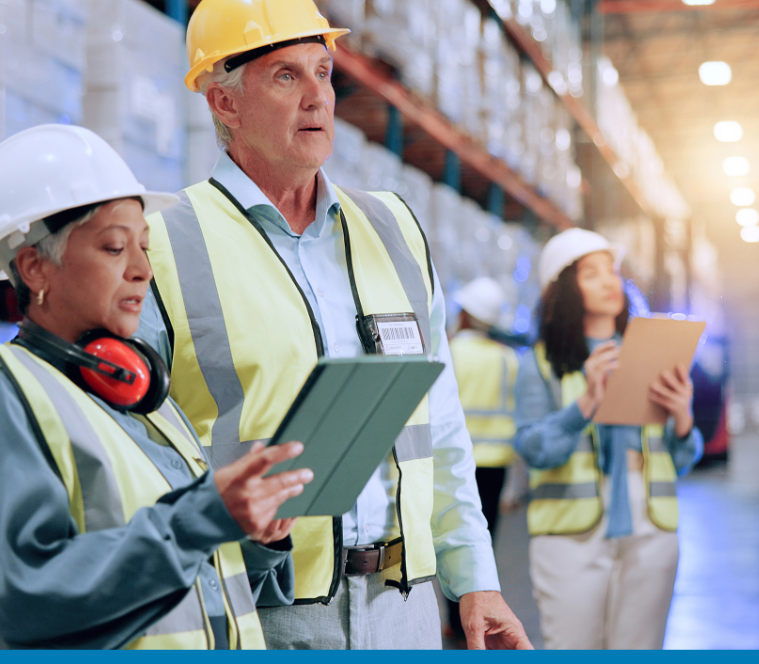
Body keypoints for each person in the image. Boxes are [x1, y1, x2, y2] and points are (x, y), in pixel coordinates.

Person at [135, 0, 530, 650]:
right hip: (262, 610)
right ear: (223, 103)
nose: (317, 98)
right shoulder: (164, 243)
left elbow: (441, 423)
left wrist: (475, 581)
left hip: (404, 606)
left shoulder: (394, 229)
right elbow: (134, 450)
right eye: (286, 76)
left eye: (323, 72)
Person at [0, 124, 313, 649]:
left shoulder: (145, 397)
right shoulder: (4, 401)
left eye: (144, 247)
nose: (144, 270)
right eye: (115, 247)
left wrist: (253, 538)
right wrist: (201, 520)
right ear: (35, 267)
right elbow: (29, 602)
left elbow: (182, 584)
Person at [513, 228, 704, 650]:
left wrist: (682, 417)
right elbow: (533, 450)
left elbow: (683, 458)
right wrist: (586, 403)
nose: (609, 282)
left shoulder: (653, 352)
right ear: (563, 288)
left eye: (612, 272)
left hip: (649, 526)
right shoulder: (541, 364)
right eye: (591, 273)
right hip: (571, 535)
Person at [443, 277, 519, 644]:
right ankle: (482, 603)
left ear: (464, 314)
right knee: (483, 537)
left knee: (452, 533)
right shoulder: (507, 358)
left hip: (456, 461)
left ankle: (457, 620)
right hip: (497, 458)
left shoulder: (451, 351)